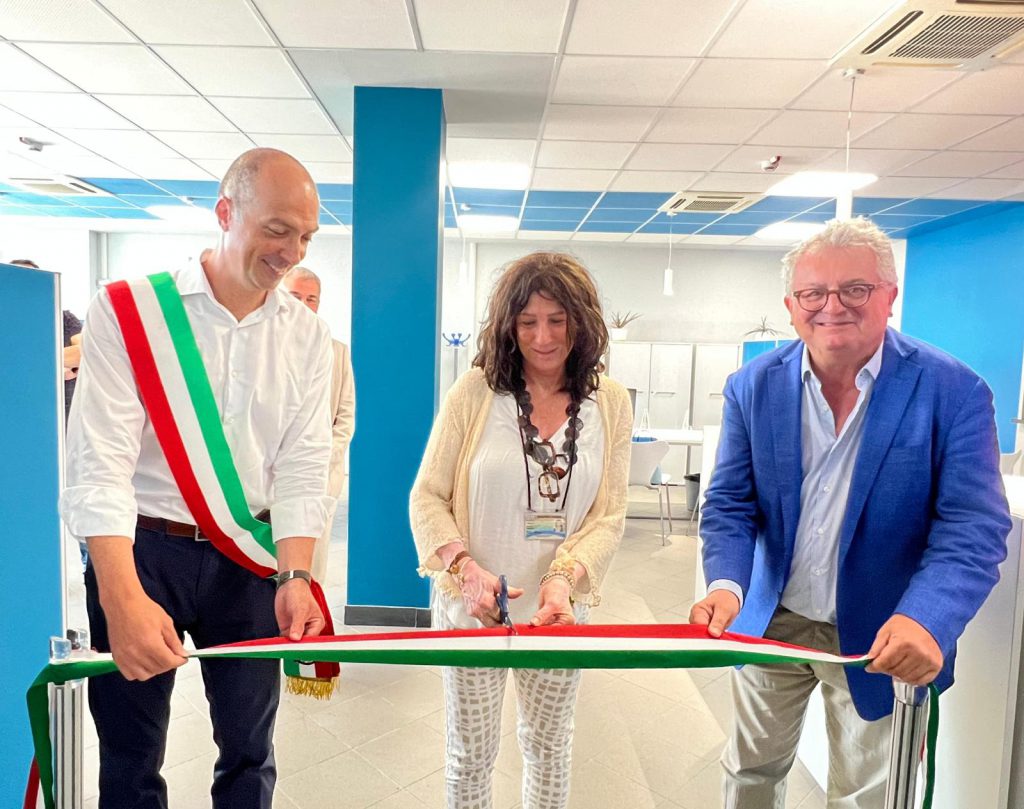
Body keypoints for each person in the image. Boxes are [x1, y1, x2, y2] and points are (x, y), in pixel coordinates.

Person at [690, 217, 1011, 808]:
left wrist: (927, 618)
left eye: (855, 289)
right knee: (751, 772)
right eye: (813, 293)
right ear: (791, 306)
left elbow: (973, 528)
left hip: (885, 633)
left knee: (866, 795)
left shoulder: (954, 391)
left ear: (889, 296)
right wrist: (727, 584)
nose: (832, 307)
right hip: (774, 619)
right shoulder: (752, 386)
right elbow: (731, 503)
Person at [60, 148, 335, 809]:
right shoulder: (130, 312)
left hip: (248, 560)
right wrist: (120, 598)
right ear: (225, 212)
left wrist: (296, 575)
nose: (292, 252)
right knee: (129, 757)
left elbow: (303, 463)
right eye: (277, 229)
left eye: (305, 236)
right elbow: (99, 461)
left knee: (250, 753)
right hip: (141, 553)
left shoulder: (307, 336)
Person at [410, 251, 632, 809]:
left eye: (557, 320)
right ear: (508, 326)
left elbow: (608, 514)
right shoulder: (476, 392)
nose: (543, 337)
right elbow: (428, 496)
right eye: (527, 321)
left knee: (550, 748)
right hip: (473, 610)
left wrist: (564, 579)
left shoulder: (610, 402)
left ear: (582, 322)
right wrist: (465, 569)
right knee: (469, 755)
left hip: (557, 614)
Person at [282, 265, 356, 582]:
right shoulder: (262, 348)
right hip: (268, 478)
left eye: (311, 299)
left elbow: (345, 416)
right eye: (295, 296)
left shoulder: (337, 351)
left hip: (319, 476)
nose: (303, 305)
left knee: (312, 563)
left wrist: (321, 457)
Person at [9, 258, 83, 422]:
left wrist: (35, 365)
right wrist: (59, 366)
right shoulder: (6, 323)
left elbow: (82, 353)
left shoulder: (63, 319)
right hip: (17, 407)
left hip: (62, 411)